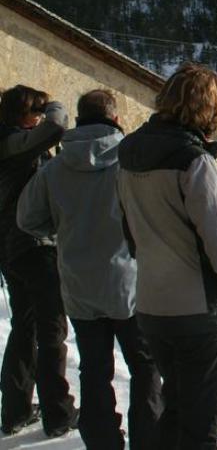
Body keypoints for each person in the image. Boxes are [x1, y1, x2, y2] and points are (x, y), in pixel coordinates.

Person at [116, 63, 217, 449]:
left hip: (151, 304)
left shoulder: (127, 154)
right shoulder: (194, 160)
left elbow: (129, 231)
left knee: (173, 411)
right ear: (208, 108)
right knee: (201, 427)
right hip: (198, 309)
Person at [16, 88, 162, 449]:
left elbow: (27, 219)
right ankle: (148, 439)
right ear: (114, 119)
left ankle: (103, 441)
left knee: (94, 371)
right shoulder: (132, 163)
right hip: (129, 286)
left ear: (79, 120)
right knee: (145, 367)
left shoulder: (54, 169)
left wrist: (61, 229)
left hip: (79, 286)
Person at [0, 85, 78, 437]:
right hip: (33, 245)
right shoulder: (13, 142)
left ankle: (15, 410)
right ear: (24, 114)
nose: (40, 118)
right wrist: (56, 105)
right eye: (36, 111)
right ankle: (58, 413)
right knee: (51, 330)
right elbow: (57, 127)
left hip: (12, 248)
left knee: (26, 326)